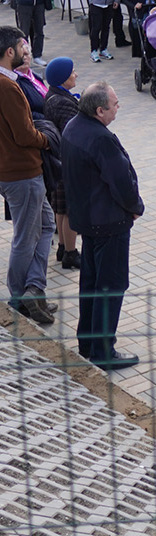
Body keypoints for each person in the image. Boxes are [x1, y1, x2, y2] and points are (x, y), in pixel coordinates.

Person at [62, 81, 143, 370]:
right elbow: (120, 180)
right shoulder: (100, 138)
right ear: (99, 110)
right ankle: (103, 351)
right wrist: (135, 208)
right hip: (108, 223)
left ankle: (89, 342)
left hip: (88, 220)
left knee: (92, 284)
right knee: (111, 286)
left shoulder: (73, 126)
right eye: (115, 104)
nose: (118, 107)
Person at [0, 25, 55, 325]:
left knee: (45, 227)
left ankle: (35, 289)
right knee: (25, 237)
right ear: (10, 52)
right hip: (21, 173)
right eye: (21, 47)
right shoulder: (8, 87)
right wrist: (47, 139)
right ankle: (19, 299)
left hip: (15, 171)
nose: (26, 50)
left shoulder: (9, 83)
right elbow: (24, 135)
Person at [42, 57, 82, 270]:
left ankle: (62, 247)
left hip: (57, 161)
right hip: (67, 163)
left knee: (60, 207)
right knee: (70, 209)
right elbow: (72, 134)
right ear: (63, 78)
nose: (76, 75)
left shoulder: (53, 96)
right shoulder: (64, 103)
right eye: (73, 72)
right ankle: (70, 253)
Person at [15, 42, 48, 115]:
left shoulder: (35, 76)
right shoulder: (15, 81)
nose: (24, 58)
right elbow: (26, 112)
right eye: (21, 55)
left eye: (26, 54)